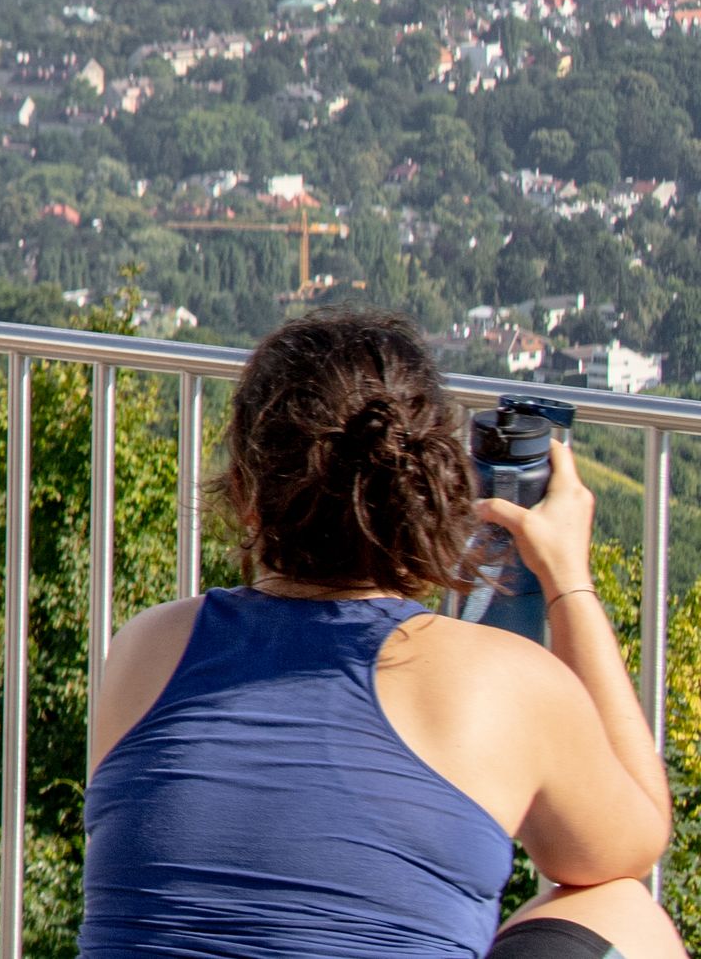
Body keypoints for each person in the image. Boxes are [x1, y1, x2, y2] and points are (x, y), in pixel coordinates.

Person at [85, 312, 681, 959]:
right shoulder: (501, 680)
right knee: (621, 903)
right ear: (432, 488)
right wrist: (567, 576)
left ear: (247, 494)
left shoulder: (148, 647)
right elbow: (632, 842)